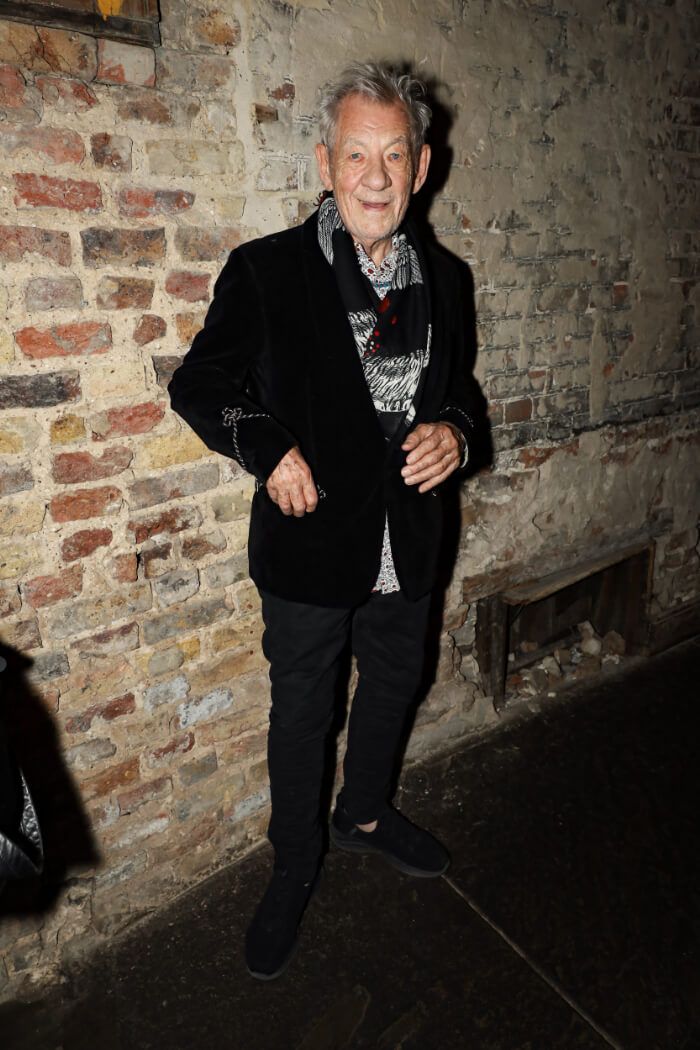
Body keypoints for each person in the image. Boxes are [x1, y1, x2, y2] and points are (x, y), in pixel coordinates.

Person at [168, 61, 485, 981]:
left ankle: (366, 816)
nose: (376, 177)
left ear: (421, 166)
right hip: (309, 545)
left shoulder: (449, 280)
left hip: (410, 541)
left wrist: (457, 434)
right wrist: (268, 449)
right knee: (304, 710)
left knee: (394, 683)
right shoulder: (267, 271)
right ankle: (295, 862)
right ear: (324, 162)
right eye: (356, 155)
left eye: (394, 155)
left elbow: (460, 393)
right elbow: (200, 384)